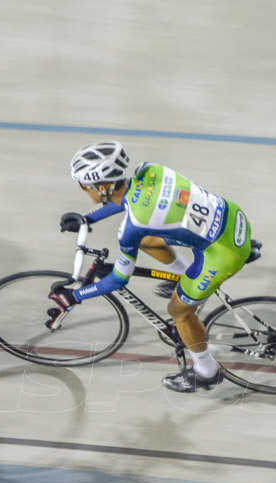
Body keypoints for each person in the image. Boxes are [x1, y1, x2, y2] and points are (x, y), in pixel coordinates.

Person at [48, 141, 253, 393]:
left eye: (84, 187)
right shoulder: (150, 171)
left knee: (178, 311)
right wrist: (88, 218)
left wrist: (74, 296)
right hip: (231, 217)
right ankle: (182, 276)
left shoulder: (132, 227)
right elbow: (128, 199)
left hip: (222, 252)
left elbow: (118, 280)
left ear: (101, 187)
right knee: (147, 241)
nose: (82, 190)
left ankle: (206, 371)